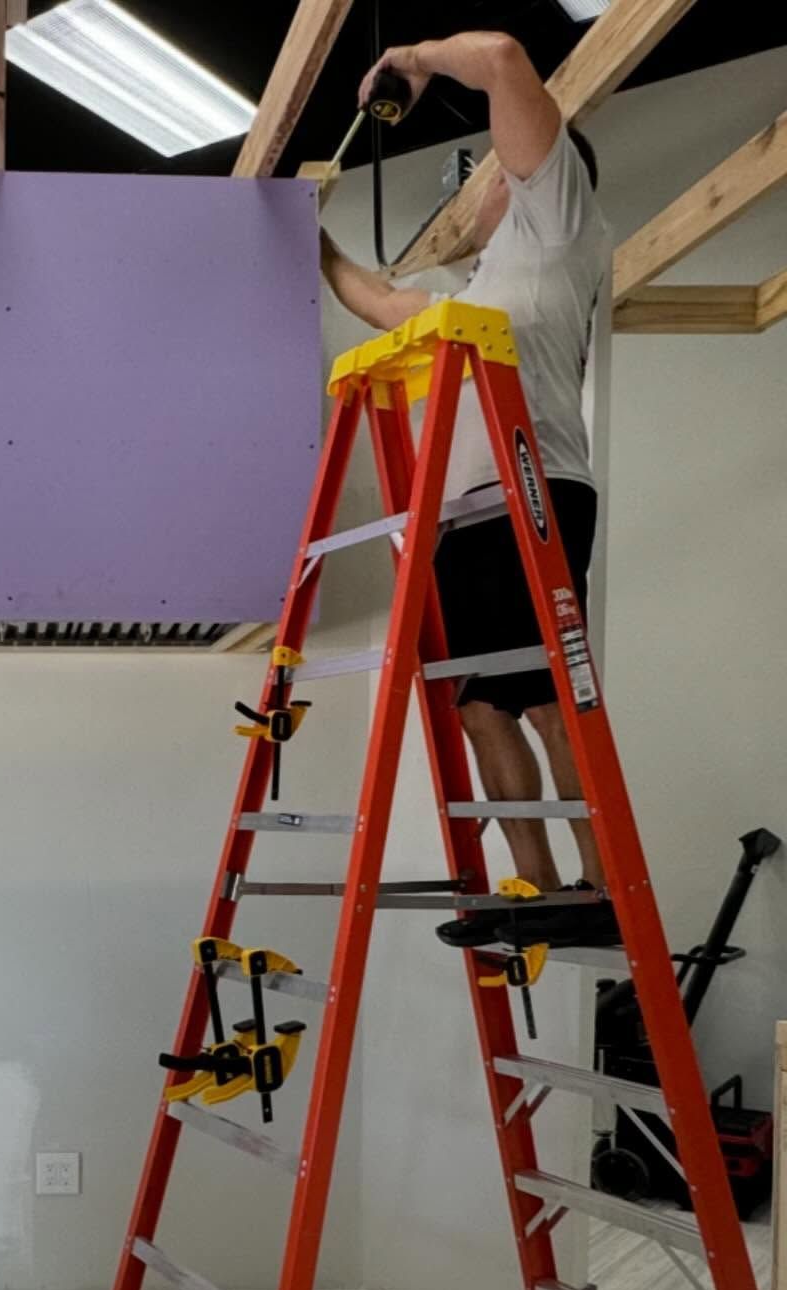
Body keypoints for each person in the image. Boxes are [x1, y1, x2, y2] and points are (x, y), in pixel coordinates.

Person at [319, 32, 616, 949]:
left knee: (542, 699)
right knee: (483, 703)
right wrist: (302, 233)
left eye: (490, 169)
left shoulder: (556, 219)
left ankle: (597, 890)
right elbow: (374, 302)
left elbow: (502, 56)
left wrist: (409, 55)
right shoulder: (478, 284)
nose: (480, 185)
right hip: (466, 517)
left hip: (537, 494)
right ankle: (531, 894)